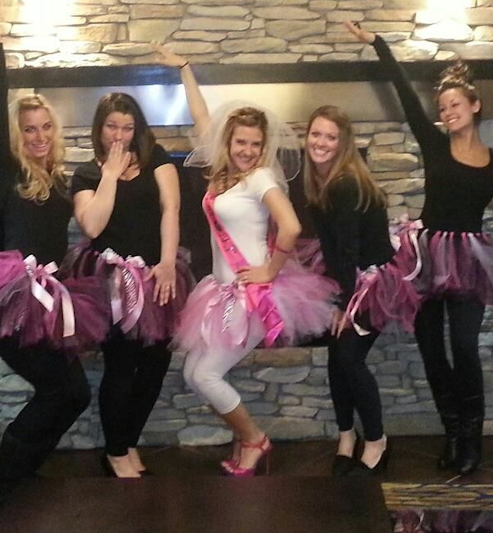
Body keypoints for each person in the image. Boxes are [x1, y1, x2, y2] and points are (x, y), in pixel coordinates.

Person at [155, 44, 337, 477]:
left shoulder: (260, 178)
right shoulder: (223, 172)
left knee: (204, 376)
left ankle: (255, 439)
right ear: (229, 141)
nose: (248, 150)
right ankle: (245, 437)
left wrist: (268, 272)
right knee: (194, 372)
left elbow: (290, 227)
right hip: (221, 291)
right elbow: (202, 118)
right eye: (241, 142)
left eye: (256, 144)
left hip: (253, 297)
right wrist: (184, 68)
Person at [0, 0, 109, 510]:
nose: (39, 136)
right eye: (29, 129)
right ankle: (3, 489)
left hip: (48, 300)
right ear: (16, 136)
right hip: (9, 301)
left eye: (46, 127)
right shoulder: (5, 174)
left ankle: (21, 473)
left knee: (74, 393)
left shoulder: (61, 181)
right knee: (59, 392)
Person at [346, 22, 493, 475]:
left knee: (465, 346)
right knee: (431, 350)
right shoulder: (434, 144)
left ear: (475, 106)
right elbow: (404, 93)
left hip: (470, 261)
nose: (448, 112)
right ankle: (453, 432)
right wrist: (378, 43)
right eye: (442, 107)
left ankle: (472, 437)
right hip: (423, 259)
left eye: (455, 104)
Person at [63, 92, 193, 478]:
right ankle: (116, 452)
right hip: (111, 281)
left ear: (138, 129)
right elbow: (92, 225)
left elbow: (171, 209)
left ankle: (128, 440)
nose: (119, 135)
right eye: (111, 127)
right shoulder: (87, 174)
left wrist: (167, 263)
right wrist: (109, 174)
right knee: (121, 364)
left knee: (156, 362)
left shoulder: (157, 158)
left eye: (127, 127)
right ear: (99, 128)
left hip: (156, 274)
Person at [304, 105, 421, 476]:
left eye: (331, 137)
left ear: (343, 144)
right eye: (316, 134)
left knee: (349, 358)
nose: (321, 143)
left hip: (374, 282)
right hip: (349, 277)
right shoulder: (320, 181)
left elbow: (349, 250)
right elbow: (332, 247)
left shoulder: (345, 183)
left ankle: (376, 440)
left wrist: (343, 306)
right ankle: (346, 437)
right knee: (336, 357)